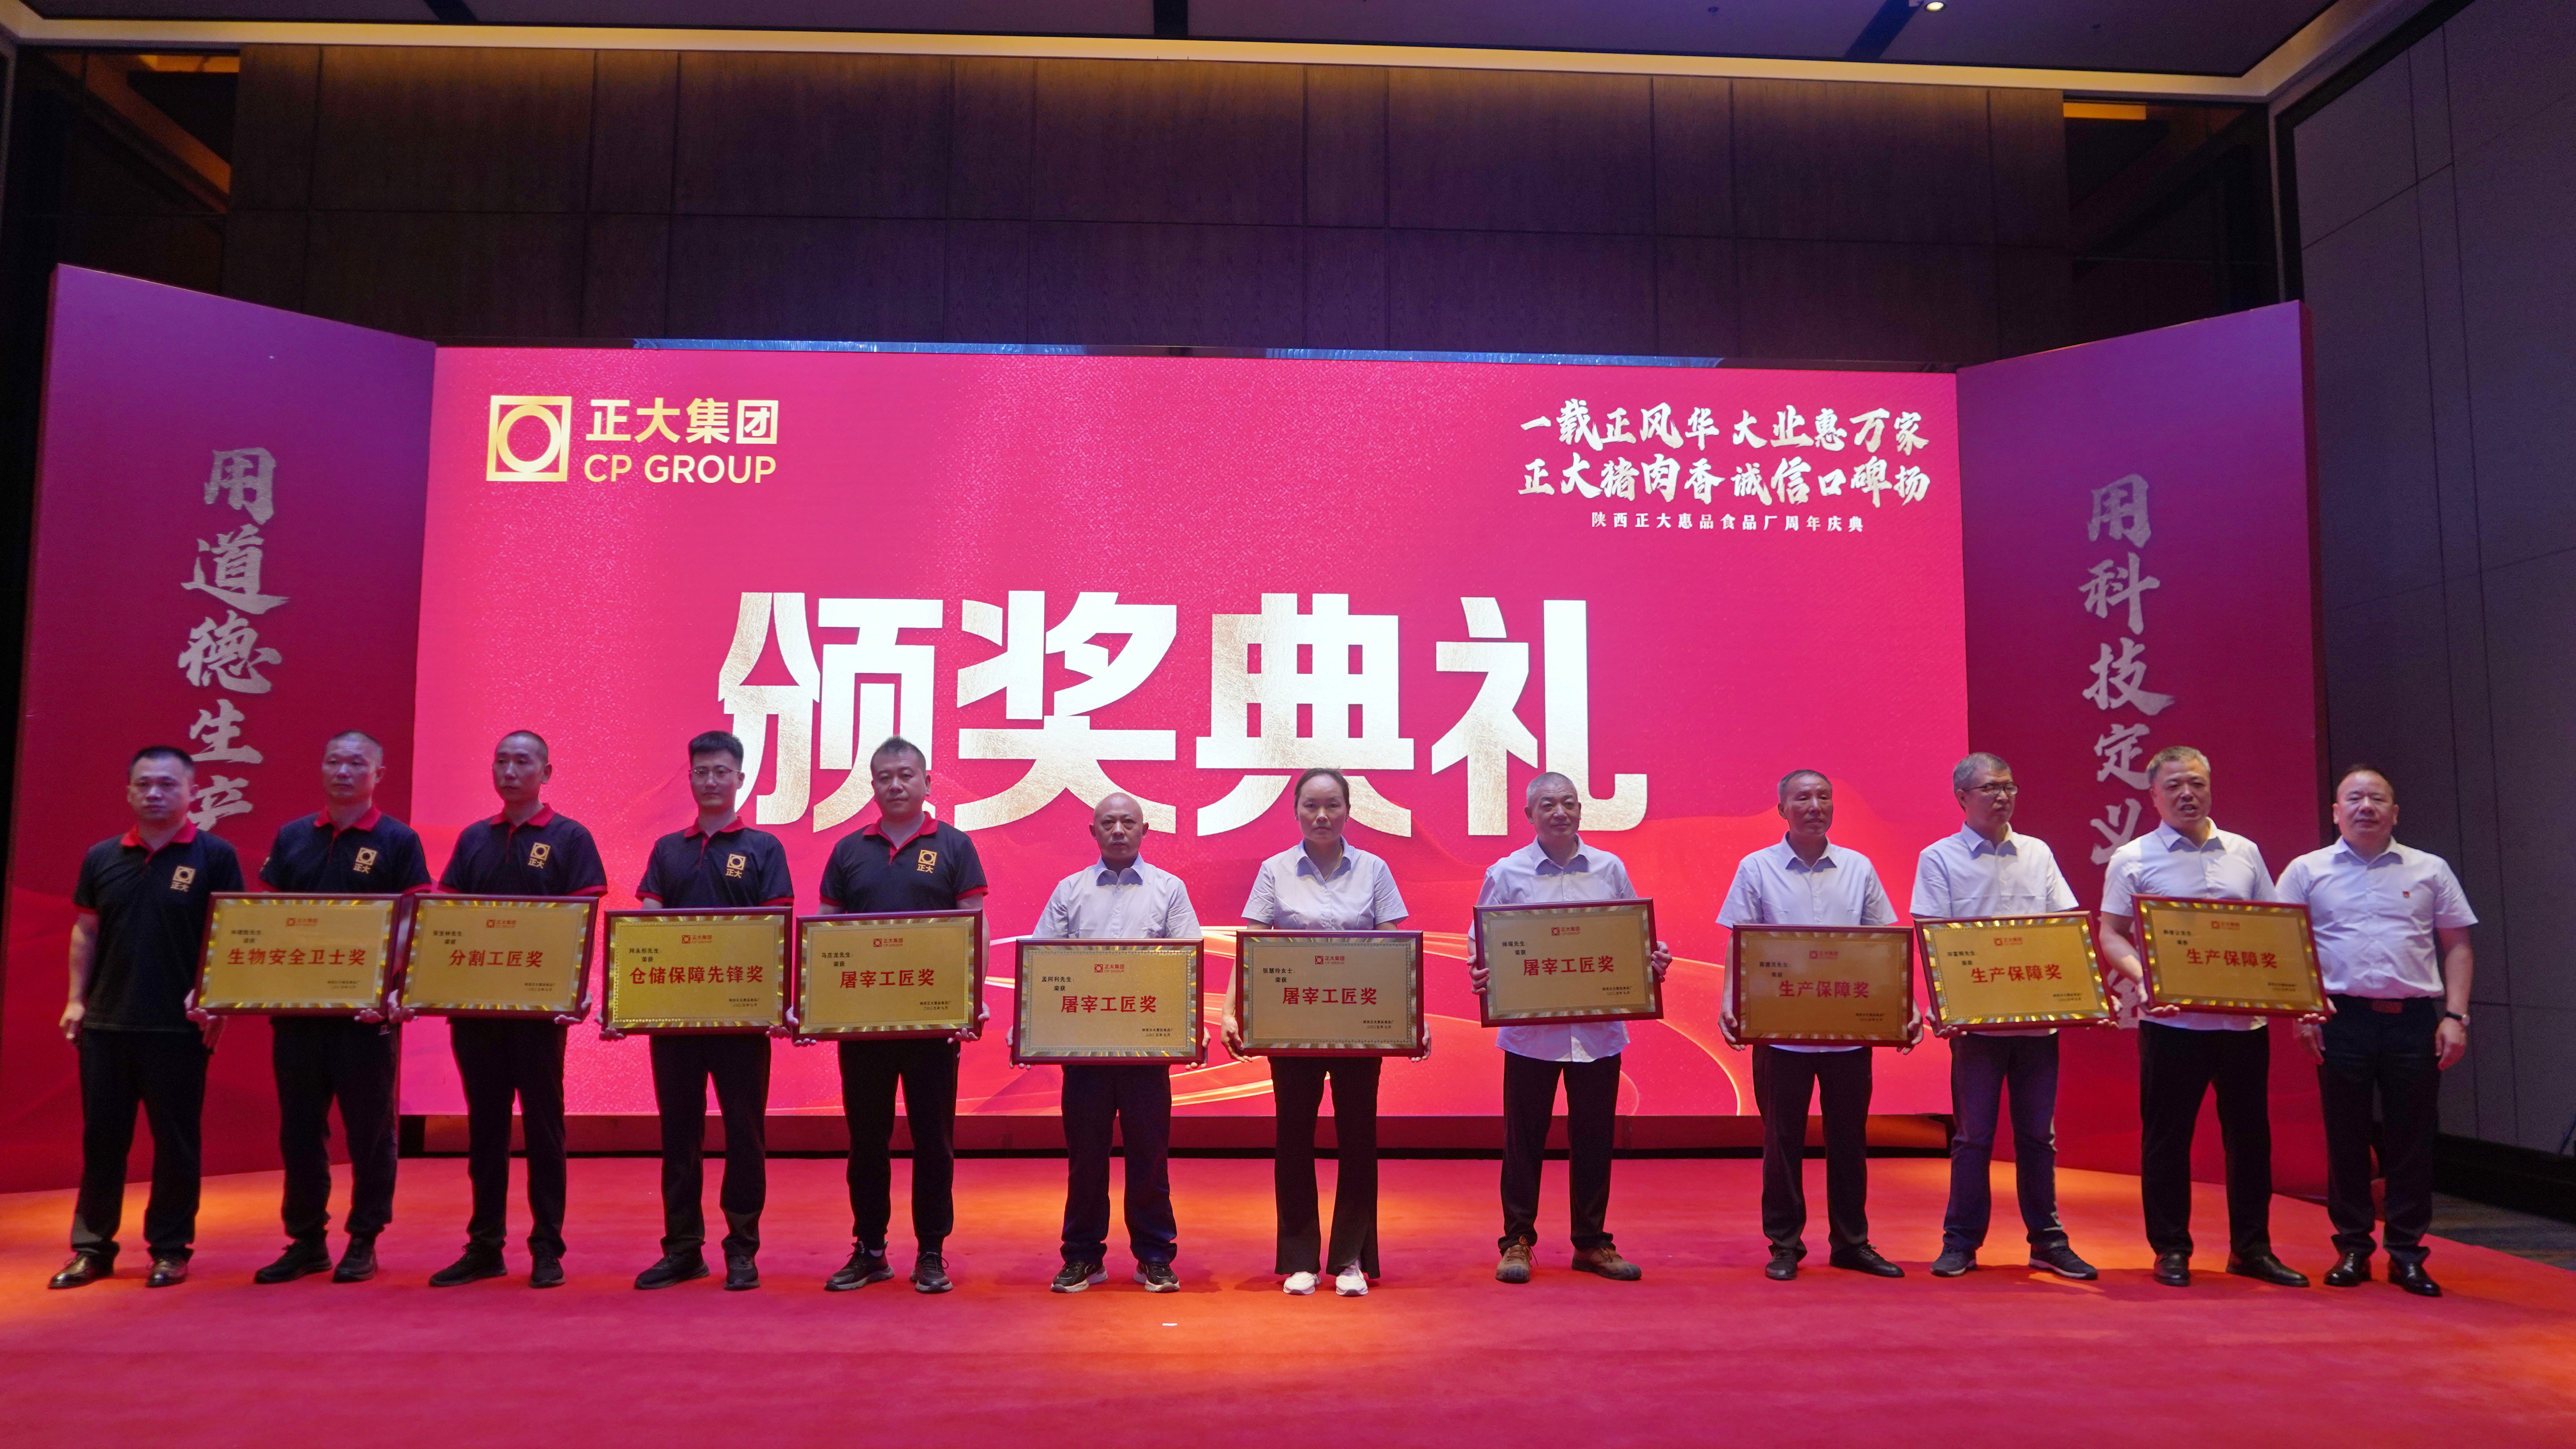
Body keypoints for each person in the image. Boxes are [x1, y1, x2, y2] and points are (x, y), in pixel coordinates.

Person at [2098, 745, 2309, 1288]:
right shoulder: (2133, 857)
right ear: (2154, 795)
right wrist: (2145, 979)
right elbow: (2111, 932)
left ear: (2211, 787)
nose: (2187, 794)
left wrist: (2296, 991)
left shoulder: (2244, 852)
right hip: (2172, 1025)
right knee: (2168, 1139)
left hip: (2242, 1025)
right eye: (2174, 786)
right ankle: (2171, 1248)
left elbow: (2273, 927)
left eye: (2197, 783)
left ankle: (2252, 1249)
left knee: (2250, 1138)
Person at [2276, 766, 2476, 1298]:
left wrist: (2455, 1017)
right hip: (2339, 1019)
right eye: (2355, 798)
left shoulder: (2429, 869)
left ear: (2395, 812)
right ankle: (2353, 1248)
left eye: (2378, 798)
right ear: (2336, 811)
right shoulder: (2306, 870)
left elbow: (2457, 944)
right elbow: (2281, 945)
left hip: (2413, 1020)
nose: (2366, 807)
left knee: (2413, 1138)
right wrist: (2301, 1010)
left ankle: (2408, 1252)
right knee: (2345, 1136)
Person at [50, 746, 243, 1290]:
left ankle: (170, 1248)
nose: (155, 793)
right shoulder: (102, 857)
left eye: (167, 784)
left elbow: (233, 933)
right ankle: (92, 1249)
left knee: (176, 1142)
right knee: (102, 1141)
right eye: (144, 784)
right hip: (107, 1024)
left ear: (191, 792)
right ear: (129, 792)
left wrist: (214, 995)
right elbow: (86, 931)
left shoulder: (215, 855)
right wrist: (76, 1000)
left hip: (178, 1027)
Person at [419, 731, 606, 1289]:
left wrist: (573, 990)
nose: (509, 770)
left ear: (546, 773)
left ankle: (547, 1247)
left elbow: (581, 924)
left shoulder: (570, 837)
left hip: (539, 1015)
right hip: (476, 1013)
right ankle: (485, 1245)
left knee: (545, 1129)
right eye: (500, 760)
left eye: (522, 761)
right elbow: (447, 921)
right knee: (486, 1130)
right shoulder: (475, 838)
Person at [1470, 772, 1670, 1285]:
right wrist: (1484, 972)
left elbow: (1635, 935)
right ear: (1529, 815)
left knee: (1594, 1137)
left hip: (1598, 1032)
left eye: (1568, 803)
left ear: (1580, 810)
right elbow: (1480, 942)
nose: (1559, 812)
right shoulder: (1507, 872)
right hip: (1531, 1034)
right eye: (1547, 805)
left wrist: (1652, 960)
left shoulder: (1609, 868)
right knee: (1524, 1141)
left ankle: (1592, 1241)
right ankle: (1517, 1240)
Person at [248, 731, 431, 1286]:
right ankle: (306, 1240)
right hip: (299, 1012)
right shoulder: (293, 837)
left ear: (378, 774)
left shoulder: (398, 839)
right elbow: (269, 918)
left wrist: (390, 988)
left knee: (369, 1132)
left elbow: (413, 922)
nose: (343, 771)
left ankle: (364, 1238)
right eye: (334, 761)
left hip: (365, 1018)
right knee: (300, 1130)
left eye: (356, 763)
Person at [614, 729, 793, 1292]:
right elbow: (645, 927)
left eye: (721, 771)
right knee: (679, 1135)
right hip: (676, 1021)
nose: (711, 780)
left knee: (745, 1134)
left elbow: (778, 932)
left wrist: (778, 1002)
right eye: (702, 772)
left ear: (740, 778)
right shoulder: (667, 850)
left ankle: (742, 1249)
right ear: (690, 778)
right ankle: (683, 1248)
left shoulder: (764, 849)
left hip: (742, 1021)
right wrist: (627, 1001)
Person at [1910, 752, 2097, 1281]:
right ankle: (1961, 1242)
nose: (2002, 796)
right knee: (1974, 1138)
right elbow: (1932, 939)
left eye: (2009, 787)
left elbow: (2064, 930)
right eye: (1990, 788)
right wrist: (1944, 1006)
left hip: (2037, 1024)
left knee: (2039, 1137)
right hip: (1976, 1027)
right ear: (1962, 798)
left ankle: (2048, 1242)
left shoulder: (2037, 852)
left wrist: (2080, 996)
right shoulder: (1939, 858)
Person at [1718, 769, 1910, 1282]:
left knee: (1850, 1139)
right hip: (1780, 1032)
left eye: (1824, 796)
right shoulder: (1757, 867)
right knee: (1781, 1142)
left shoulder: (1858, 867)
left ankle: (1852, 1242)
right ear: (1782, 809)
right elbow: (1740, 943)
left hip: (1848, 1030)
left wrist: (1902, 1006)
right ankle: (1785, 1244)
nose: (1814, 805)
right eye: (1802, 797)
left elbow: (1884, 948)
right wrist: (1730, 1003)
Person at [1226, 767, 1410, 1298]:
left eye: (1333, 805)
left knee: (1359, 1136)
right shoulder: (1275, 870)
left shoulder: (1374, 869)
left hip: (1359, 1024)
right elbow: (1252, 946)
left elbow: (1394, 953)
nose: (1322, 815)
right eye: (1311, 805)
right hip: (1292, 1024)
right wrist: (1231, 1011)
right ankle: (1300, 1258)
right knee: (1293, 1137)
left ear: (1349, 810)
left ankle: (1351, 1259)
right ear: (1296, 811)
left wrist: (1410, 1018)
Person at [814, 736, 988, 1296]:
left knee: (933, 1140)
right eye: (885, 777)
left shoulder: (955, 846)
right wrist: (816, 1002)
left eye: (906, 775)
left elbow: (974, 926)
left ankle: (931, 1252)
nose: (895, 785)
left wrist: (970, 999)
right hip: (863, 1025)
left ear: (927, 782)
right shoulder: (849, 850)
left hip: (932, 1025)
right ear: (872, 786)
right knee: (867, 1140)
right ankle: (870, 1249)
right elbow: (826, 930)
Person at [1033, 792, 1200, 1294]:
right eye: (1109, 822)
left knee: (1149, 1154)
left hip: (1147, 1050)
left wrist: (1192, 1024)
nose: (1119, 830)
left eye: (1129, 822)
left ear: (1146, 830)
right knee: (1086, 1157)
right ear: (1094, 832)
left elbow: (1188, 964)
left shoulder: (1169, 890)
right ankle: (1083, 1255)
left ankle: (1155, 1255)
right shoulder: (1070, 890)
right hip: (1084, 1051)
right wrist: (1031, 1025)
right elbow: (1043, 962)